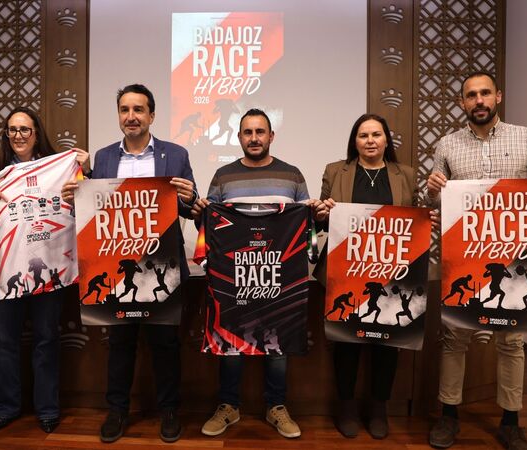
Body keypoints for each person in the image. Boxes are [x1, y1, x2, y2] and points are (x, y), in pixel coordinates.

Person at [426, 71, 527, 450]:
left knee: (511, 341)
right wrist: (431, 192)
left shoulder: (526, 137)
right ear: (462, 102)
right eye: (470, 95)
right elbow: (435, 202)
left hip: (512, 260)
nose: (478, 100)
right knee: (454, 338)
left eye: (485, 93)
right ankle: (449, 416)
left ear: (498, 96)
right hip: (465, 258)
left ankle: (511, 422)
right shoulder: (447, 145)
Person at [61, 83, 197, 444]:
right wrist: (75, 197)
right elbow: (95, 210)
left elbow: (189, 207)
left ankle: (169, 410)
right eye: (125, 109)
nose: (131, 116)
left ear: (152, 115)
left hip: (161, 267)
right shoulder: (104, 157)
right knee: (120, 343)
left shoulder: (175, 154)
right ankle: (117, 410)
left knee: (165, 344)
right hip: (116, 268)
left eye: (138, 109)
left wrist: (190, 197)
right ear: (119, 115)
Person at [192, 108, 326, 440]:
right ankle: (228, 405)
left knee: (278, 344)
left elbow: (305, 225)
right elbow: (209, 227)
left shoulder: (292, 175)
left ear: (271, 136)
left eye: (260, 132)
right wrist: (200, 213)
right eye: (248, 132)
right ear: (239, 137)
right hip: (233, 276)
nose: (254, 138)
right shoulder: (223, 176)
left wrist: (315, 214)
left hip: (280, 277)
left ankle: (276, 406)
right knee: (231, 342)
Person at [0, 106, 90, 434]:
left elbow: (84, 203)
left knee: (47, 338)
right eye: (12, 129)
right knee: (4, 340)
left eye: (25, 129)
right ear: (6, 134)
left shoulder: (60, 166)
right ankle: (5, 407)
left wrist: (85, 172)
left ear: (36, 133)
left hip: (48, 260)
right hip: (7, 262)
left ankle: (47, 408)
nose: (18, 135)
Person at [312, 113, 419, 440]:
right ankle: (346, 406)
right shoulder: (335, 171)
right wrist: (321, 213)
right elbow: (321, 224)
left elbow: (412, 223)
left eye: (376, 135)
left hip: (390, 273)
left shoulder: (406, 174)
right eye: (363, 135)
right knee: (347, 342)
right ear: (354, 141)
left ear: (387, 140)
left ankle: (378, 407)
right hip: (346, 270)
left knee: (387, 344)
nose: (370, 141)